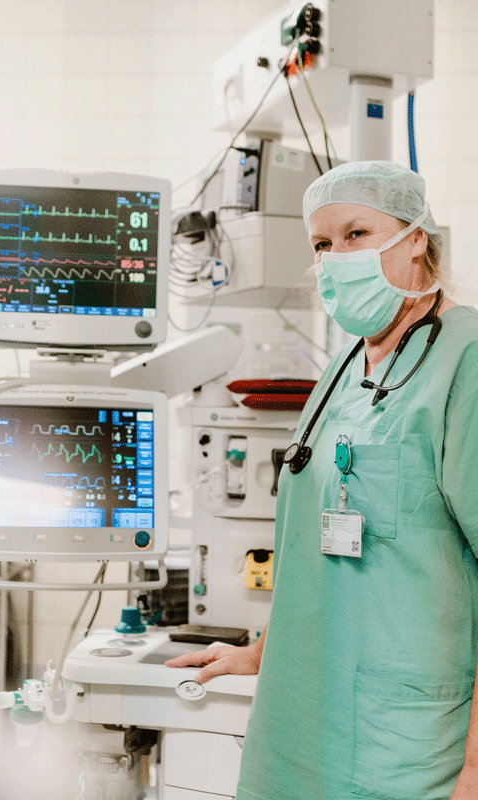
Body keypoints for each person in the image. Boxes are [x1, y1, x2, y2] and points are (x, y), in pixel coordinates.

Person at [166, 161, 478, 800]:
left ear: (416, 236)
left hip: (409, 745)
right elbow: (320, 551)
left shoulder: (466, 360)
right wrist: (263, 651)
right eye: (322, 244)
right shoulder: (342, 367)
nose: (337, 258)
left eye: (357, 233)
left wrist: (476, 768)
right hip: (301, 725)